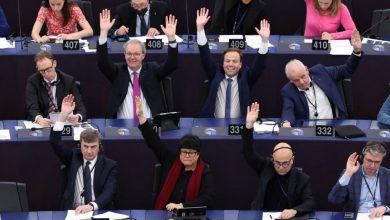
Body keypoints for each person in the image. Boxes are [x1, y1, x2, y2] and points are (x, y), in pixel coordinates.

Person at [135, 96, 215, 210]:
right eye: (184, 152)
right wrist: (141, 117)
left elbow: (207, 199)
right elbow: (154, 142)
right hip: (164, 214)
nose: (187, 155)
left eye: (191, 153)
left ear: (198, 154)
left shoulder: (205, 172)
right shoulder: (170, 161)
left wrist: (181, 206)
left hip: (191, 217)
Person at [97, 9, 178, 119]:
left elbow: (172, 64)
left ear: (143, 56)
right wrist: (103, 34)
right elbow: (103, 63)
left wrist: (172, 39)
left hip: (149, 125)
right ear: (124, 55)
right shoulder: (118, 71)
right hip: (122, 127)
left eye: (136, 54)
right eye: (129, 54)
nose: (132, 57)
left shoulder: (152, 70)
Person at [242, 102, 315, 218]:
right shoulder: (265, 167)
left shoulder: (302, 178)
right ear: (272, 159)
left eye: (285, 164)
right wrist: (249, 126)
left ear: (292, 160)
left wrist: (295, 210)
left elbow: (310, 203)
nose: (281, 167)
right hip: (263, 215)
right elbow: (248, 153)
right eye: (277, 163)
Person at [49, 95, 117, 213]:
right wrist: (62, 116)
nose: (89, 151)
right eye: (85, 146)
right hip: (72, 211)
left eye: (93, 147)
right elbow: (55, 142)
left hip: (96, 211)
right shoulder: (72, 157)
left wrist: (91, 206)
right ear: (79, 145)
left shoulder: (110, 165)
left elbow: (109, 192)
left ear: (99, 146)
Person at [280, 29, 362, 127]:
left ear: (306, 70)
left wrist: (356, 51)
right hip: (309, 130)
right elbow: (287, 110)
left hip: (335, 125)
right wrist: (286, 123)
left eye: (303, 76)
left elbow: (347, 69)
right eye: (296, 80)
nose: (302, 82)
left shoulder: (321, 72)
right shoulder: (288, 91)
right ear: (291, 80)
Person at [196, 8, 269, 118]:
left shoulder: (247, 77)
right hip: (213, 124)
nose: (230, 64)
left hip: (240, 125)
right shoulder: (215, 72)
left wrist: (264, 41)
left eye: (234, 61)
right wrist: (200, 29)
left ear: (240, 65)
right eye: (227, 61)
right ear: (223, 62)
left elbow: (260, 64)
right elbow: (204, 54)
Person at [328, 141, 390, 219]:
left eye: (377, 162)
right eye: (369, 160)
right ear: (362, 157)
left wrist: (385, 208)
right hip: (355, 216)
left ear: (381, 161)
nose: (372, 165)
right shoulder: (351, 173)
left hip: (381, 217)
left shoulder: (388, 175)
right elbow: (334, 200)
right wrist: (347, 174)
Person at [25, 50, 86, 127]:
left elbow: (80, 107)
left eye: (48, 69)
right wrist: (39, 119)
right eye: (42, 71)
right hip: (44, 123)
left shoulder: (68, 80)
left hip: (64, 122)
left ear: (54, 63)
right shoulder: (33, 81)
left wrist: (78, 116)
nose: (46, 74)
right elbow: (32, 107)